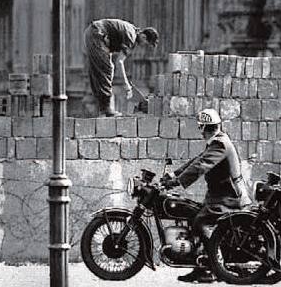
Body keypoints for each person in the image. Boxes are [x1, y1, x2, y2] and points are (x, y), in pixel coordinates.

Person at [161, 108, 252, 283]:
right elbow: (196, 160)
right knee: (193, 214)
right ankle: (200, 264)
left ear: (204, 127)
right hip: (219, 194)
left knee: (201, 221)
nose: (201, 131)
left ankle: (210, 268)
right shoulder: (217, 141)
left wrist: (177, 182)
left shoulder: (220, 144)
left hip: (229, 196)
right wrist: (172, 176)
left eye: (201, 127)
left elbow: (201, 166)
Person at [84, 19, 158, 116]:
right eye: (146, 44)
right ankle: (107, 109)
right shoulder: (131, 36)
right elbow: (120, 61)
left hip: (93, 33)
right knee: (107, 69)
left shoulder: (132, 30)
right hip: (97, 34)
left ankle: (103, 108)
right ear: (143, 37)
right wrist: (127, 84)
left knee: (99, 70)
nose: (143, 47)